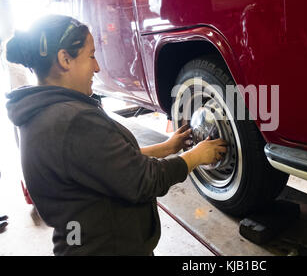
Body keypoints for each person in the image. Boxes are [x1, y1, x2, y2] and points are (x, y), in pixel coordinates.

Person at [4, 15, 227, 255]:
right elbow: (143, 181)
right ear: (64, 59)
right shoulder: (72, 120)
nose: (97, 67)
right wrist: (196, 156)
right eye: (91, 55)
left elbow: (97, 164)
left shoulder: (40, 114)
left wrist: (166, 148)